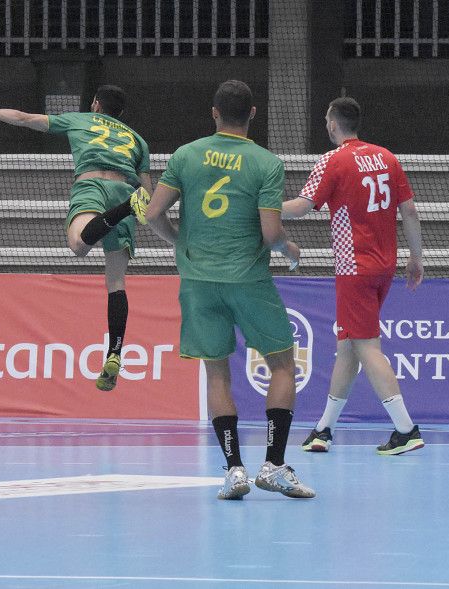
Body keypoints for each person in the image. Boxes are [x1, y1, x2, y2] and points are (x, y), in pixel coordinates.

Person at [145, 80, 313, 500]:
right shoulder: (266, 163)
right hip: (249, 281)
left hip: (198, 281)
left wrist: (178, 242)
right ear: (253, 114)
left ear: (214, 113)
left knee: (216, 371)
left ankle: (234, 470)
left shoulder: (186, 155)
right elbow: (271, 233)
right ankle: (273, 464)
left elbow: (152, 213)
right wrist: (290, 248)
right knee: (282, 366)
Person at [0, 87, 152, 391]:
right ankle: (114, 352)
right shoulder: (138, 141)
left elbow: (23, 118)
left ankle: (124, 209)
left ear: (96, 105)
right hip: (127, 190)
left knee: (77, 245)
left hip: (93, 187)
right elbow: (149, 196)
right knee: (116, 283)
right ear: (121, 114)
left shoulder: (80, 120)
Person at [283, 97, 425, 456]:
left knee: (366, 347)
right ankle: (323, 430)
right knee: (347, 345)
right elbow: (408, 210)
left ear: (332, 124)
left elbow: (301, 207)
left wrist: (259, 207)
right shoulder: (387, 157)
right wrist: (416, 257)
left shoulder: (333, 160)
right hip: (385, 266)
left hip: (354, 267)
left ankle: (406, 430)